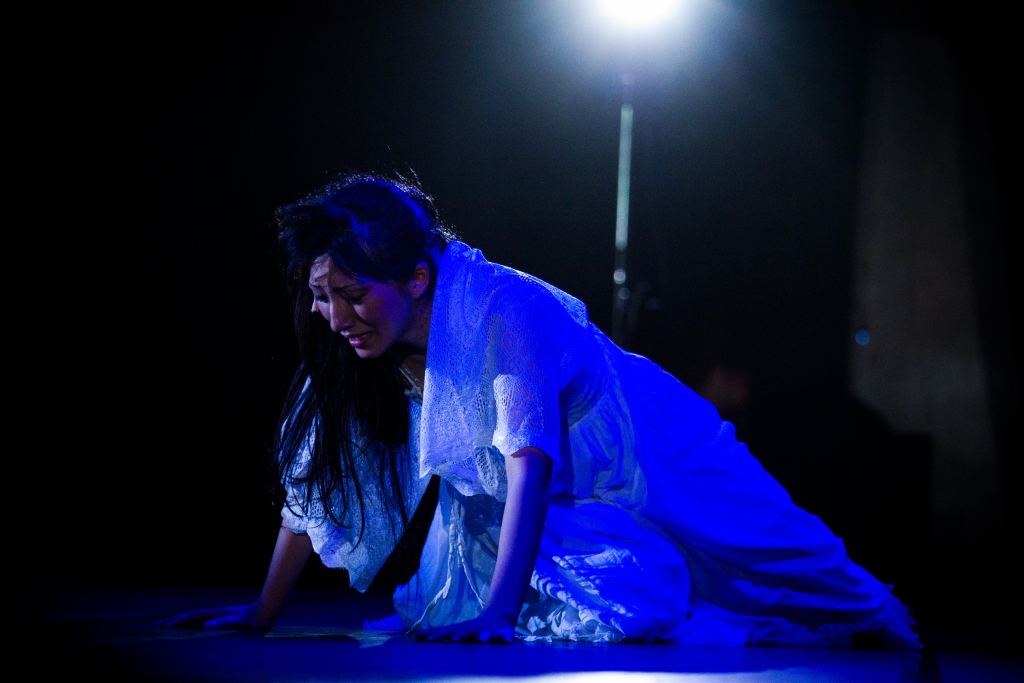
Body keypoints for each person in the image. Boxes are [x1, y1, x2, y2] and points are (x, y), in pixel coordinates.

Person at [159, 172, 920, 647]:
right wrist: (263, 610)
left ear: (418, 278)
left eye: (354, 295)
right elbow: (320, 478)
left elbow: (529, 462)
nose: (336, 316)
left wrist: (496, 612)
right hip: (545, 500)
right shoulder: (354, 339)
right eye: (322, 297)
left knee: (769, 556)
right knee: (623, 591)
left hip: (635, 443)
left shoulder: (503, 310)